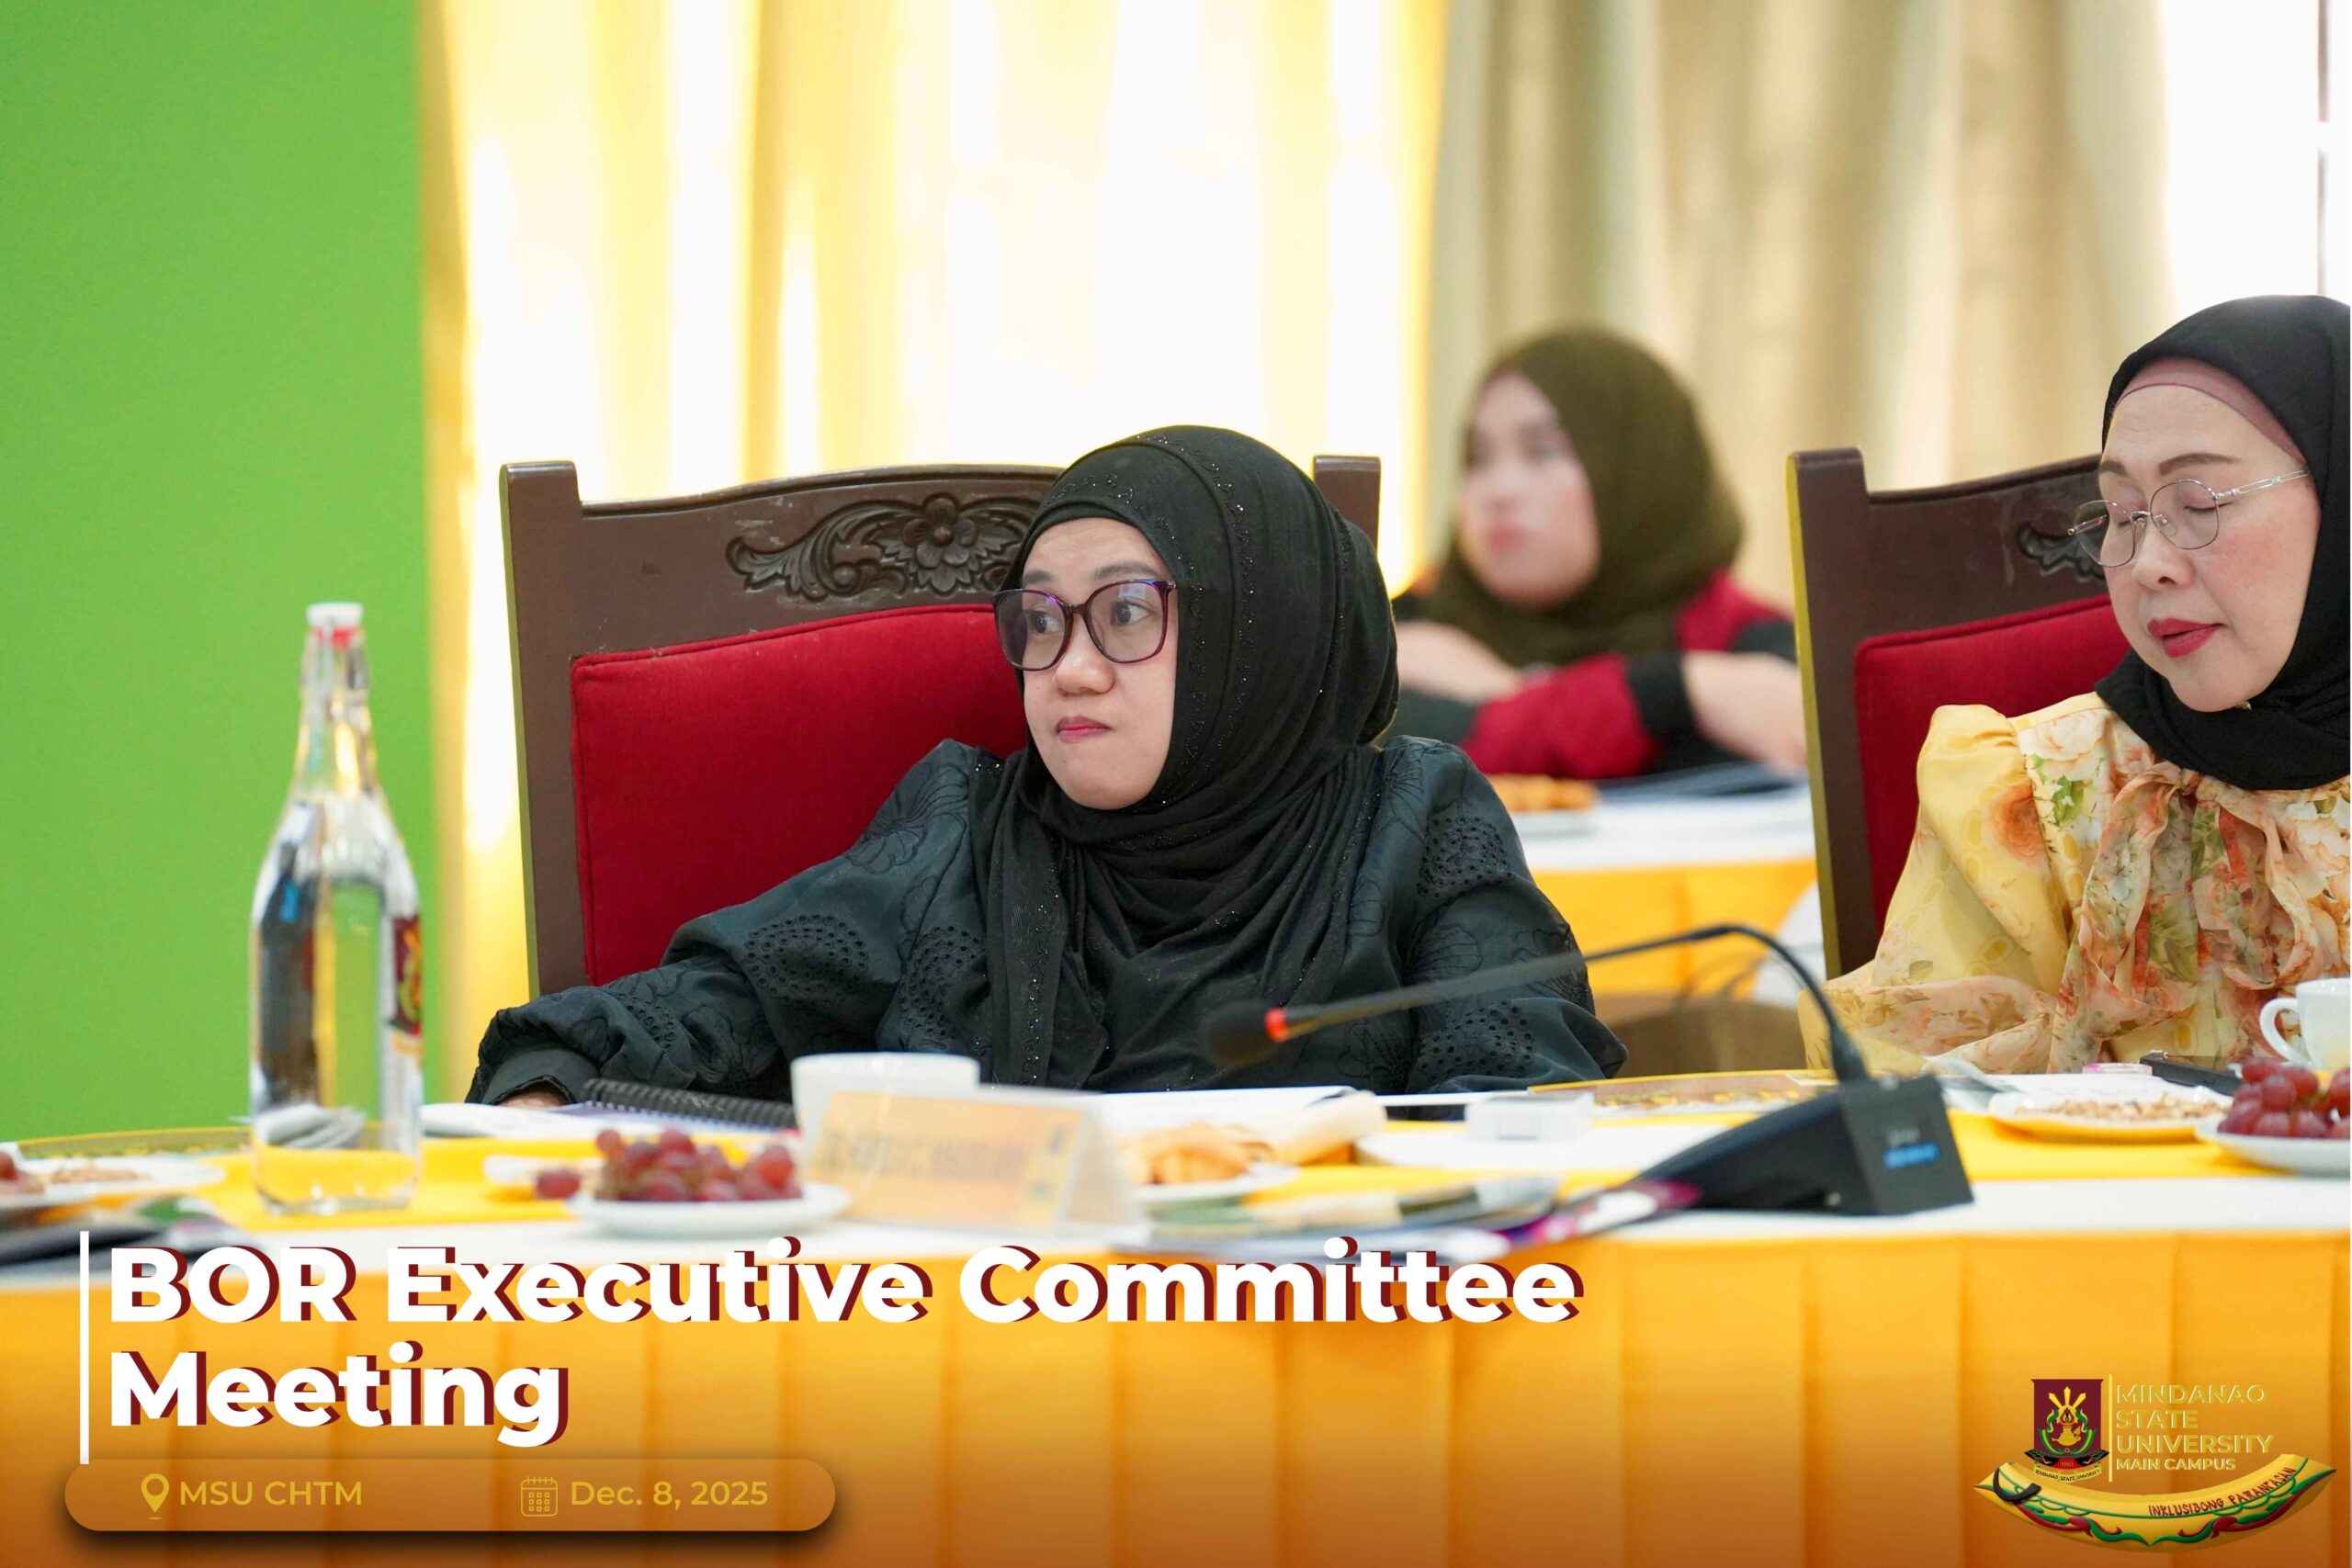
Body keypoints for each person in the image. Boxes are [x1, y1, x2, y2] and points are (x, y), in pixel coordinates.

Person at [472, 426, 1625, 1107]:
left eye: (1126, 614)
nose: (1066, 671)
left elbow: (1518, 1115)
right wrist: (545, 1086)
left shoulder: (1412, 824)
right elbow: (689, 1018)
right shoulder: (967, 838)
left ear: (1259, 636)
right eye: (1038, 620)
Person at [1819, 295, 2348, 1073]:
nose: (2148, 564)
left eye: (2197, 503)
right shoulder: (2034, 800)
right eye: (2121, 515)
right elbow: (1916, 1102)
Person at [1391, 326, 1805, 778]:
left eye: (1543, 452)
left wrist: (1512, 691)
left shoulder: (1746, 637)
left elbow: (1790, 737)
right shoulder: (1409, 629)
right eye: (1479, 457)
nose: (1498, 490)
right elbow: (1399, 763)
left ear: (1642, 471)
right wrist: (1681, 694)